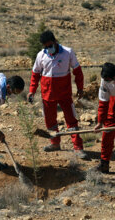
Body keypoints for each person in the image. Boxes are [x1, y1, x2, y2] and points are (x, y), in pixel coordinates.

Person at [27, 30, 87, 159]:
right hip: (47, 94)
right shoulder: (41, 55)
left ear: (55, 41)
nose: (48, 48)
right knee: (50, 121)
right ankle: (54, 143)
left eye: (50, 45)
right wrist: (32, 91)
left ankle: (78, 147)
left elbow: (77, 71)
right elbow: (35, 74)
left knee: (71, 120)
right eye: (45, 46)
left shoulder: (68, 52)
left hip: (65, 93)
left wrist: (80, 88)